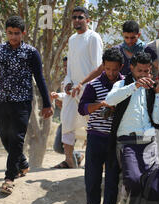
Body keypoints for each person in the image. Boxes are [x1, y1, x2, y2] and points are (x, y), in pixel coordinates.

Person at [0, 16, 53, 195]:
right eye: (10, 33)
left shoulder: (31, 52)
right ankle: (23, 164)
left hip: (23, 102)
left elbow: (40, 78)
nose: (13, 37)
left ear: (23, 33)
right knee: (5, 137)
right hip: (2, 100)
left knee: (17, 138)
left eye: (17, 34)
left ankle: (9, 178)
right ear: (6, 32)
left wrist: (46, 103)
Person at [105, 51, 159, 204]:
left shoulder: (153, 87)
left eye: (147, 71)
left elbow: (158, 119)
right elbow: (110, 100)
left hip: (149, 142)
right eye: (140, 71)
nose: (144, 75)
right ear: (131, 68)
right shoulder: (122, 84)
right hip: (127, 141)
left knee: (153, 188)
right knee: (132, 179)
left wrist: (157, 95)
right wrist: (134, 86)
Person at [77, 48, 123, 204]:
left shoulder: (125, 84)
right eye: (108, 68)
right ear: (103, 66)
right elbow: (82, 108)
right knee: (92, 179)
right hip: (95, 137)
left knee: (112, 180)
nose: (111, 73)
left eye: (114, 69)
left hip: (115, 140)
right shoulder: (93, 85)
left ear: (120, 67)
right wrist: (100, 105)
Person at [55, 6, 103, 169]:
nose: (77, 20)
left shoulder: (93, 37)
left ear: (87, 20)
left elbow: (98, 67)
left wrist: (84, 86)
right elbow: (70, 67)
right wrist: (68, 82)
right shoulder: (72, 39)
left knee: (93, 126)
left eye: (80, 17)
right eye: (74, 17)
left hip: (88, 89)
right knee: (67, 122)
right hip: (72, 90)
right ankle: (69, 160)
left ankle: (95, 162)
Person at [51, 56, 84, 164]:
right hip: (67, 119)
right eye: (64, 66)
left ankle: (71, 162)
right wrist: (59, 100)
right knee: (58, 146)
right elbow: (65, 101)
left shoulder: (80, 81)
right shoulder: (64, 83)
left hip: (79, 119)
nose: (66, 68)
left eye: (68, 66)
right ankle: (77, 157)